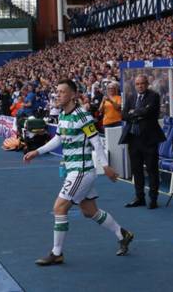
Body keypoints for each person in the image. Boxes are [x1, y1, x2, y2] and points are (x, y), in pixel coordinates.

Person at [23, 79, 134, 265]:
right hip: (73, 170)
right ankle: (122, 233)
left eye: (62, 92)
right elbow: (58, 139)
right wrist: (37, 151)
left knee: (59, 208)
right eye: (57, 91)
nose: (58, 95)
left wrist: (105, 165)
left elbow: (96, 142)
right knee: (89, 211)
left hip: (81, 171)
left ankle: (56, 253)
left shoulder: (83, 116)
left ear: (73, 95)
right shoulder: (63, 116)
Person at [119, 74, 166, 209]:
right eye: (138, 84)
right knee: (136, 170)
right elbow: (124, 115)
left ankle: (153, 199)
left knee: (152, 170)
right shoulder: (131, 97)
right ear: (135, 85)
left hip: (149, 139)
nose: (140, 86)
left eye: (143, 83)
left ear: (147, 84)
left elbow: (148, 111)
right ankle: (139, 197)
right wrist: (136, 113)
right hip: (133, 139)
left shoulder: (153, 96)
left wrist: (134, 113)